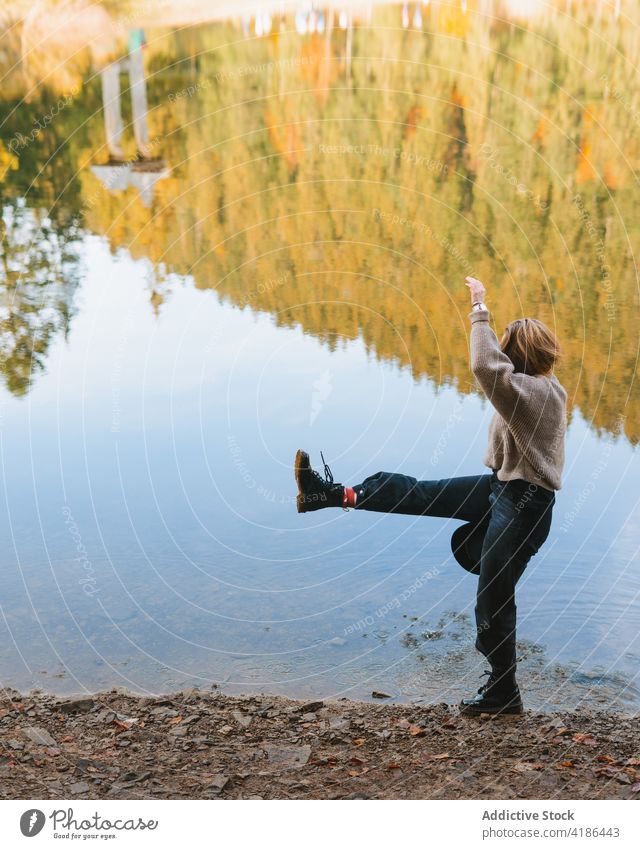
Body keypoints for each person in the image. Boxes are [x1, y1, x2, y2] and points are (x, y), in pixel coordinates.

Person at [294, 276, 567, 715]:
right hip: (502, 489)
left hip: (526, 504)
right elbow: (492, 370)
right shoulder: (523, 389)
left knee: (494, 600)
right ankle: (328, 495)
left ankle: (504, 693)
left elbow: (484, 367)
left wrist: (479, 308)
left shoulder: (536, 393)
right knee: (419, 493)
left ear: (516, 357)